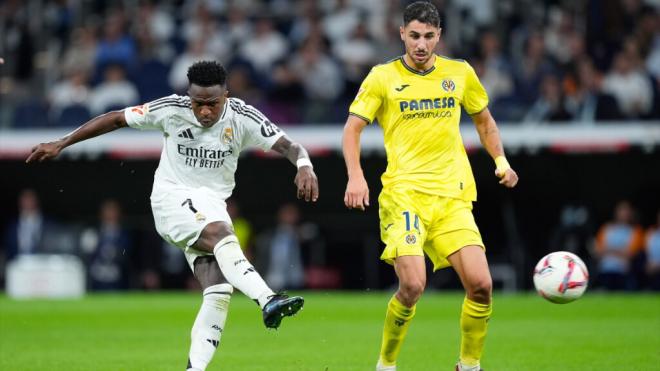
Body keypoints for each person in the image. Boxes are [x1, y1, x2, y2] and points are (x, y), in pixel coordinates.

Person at [26, 60, 319, 371]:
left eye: (213, 104)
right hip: (172, 200)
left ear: (227, 97)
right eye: (198, 104)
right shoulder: (170, 109)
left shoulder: (242, 116)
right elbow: (115, 119)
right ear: (188, 96)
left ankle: (195, 369)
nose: (205, 112)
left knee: (219, 290)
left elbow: (291, 146)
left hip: (211, 206)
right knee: (222, 235)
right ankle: (267, 299)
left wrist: (305, 167)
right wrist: (63, 142)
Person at [342, 3, 518, 371]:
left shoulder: (460, 73)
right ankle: (386, 364)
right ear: (401, 33)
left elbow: (485, 122)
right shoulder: (382, 77)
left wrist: (501, 161)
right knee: (412, 286)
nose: (421, 44)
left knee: (482, 285)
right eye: (414, 35)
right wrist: (356, 176)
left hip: (452, 197)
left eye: (428, 36)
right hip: (404, 196)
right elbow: (352, 128)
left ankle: (469, 365)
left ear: (439, 36)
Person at [594, 200, 644, 290]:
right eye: (621, 210)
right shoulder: (606, 228)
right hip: (605, 271)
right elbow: (598, 251)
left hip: (623, 272)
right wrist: (620, 251)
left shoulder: (636, 231)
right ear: (616, 212)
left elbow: (630, 254)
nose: (624, 213)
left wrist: (609, 250)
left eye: (626, 211)